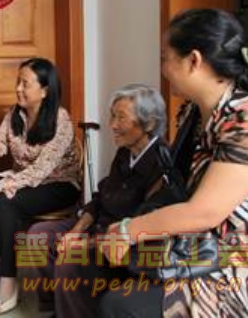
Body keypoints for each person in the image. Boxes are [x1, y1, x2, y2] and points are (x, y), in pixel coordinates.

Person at [100, 8, 248, 317]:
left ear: (193, 60)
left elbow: (204, 212)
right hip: (199, 243)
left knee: (122, 304)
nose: (162, 68)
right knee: (93, 264)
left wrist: (129, 231)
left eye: (165, 58)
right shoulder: (193, 114)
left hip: (244, 257)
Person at [0, 57, 82, 315]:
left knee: (4, 200)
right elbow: (0, 146)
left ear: (45, 91)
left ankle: (9, 281)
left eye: (25, 83)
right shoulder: (14, 114)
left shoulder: (60, 119)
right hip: (24, 179)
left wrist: (0, 187)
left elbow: (40, 170)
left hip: (58, 184)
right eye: (18, 82)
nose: (18, 88)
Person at [27, 83, 169, 317]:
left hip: (120, 243)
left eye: (121, 117)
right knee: (38, 236)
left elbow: (137, 229)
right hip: (97, 226)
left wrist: (83, 244)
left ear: (149, 124)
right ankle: (57, 305)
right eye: (112, 116)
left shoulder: (161, 165)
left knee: (70, 260)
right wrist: (76, 230)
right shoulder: (125, 151)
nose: (112, 125)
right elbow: (101, 196)